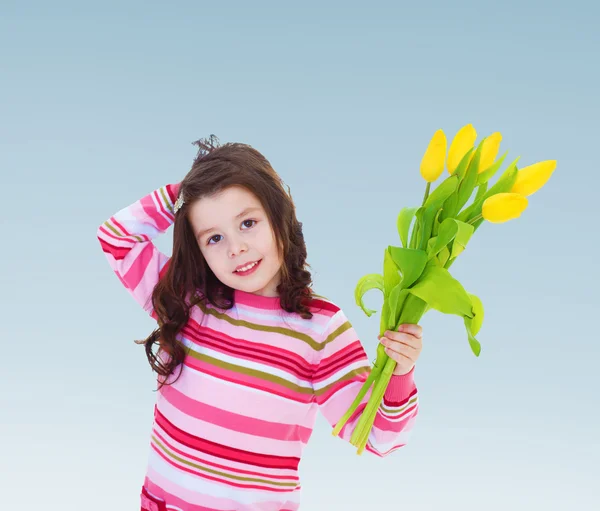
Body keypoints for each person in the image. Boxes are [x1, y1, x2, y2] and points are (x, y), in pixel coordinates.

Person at [97, 136, 423, 511]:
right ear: (199, 249)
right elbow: (116, 238)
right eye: (214, 237)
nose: (235, 247)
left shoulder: (319, 328)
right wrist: (185, 192)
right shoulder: (184, 299)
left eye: (248, 223)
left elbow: (380, 438)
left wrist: (401, 371)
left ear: (278, 217)